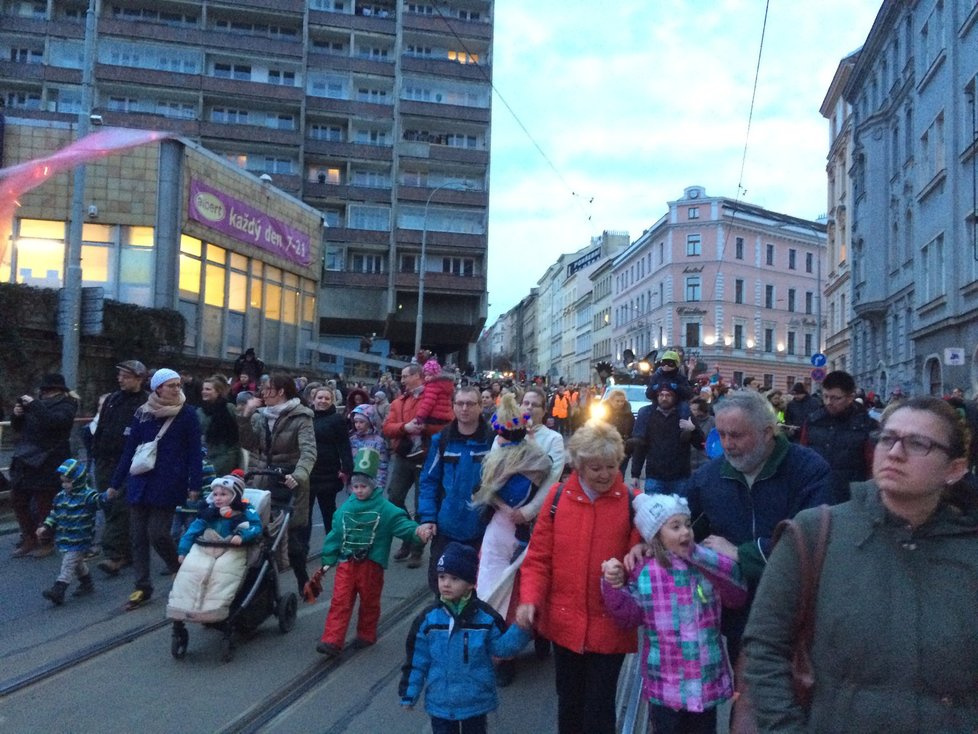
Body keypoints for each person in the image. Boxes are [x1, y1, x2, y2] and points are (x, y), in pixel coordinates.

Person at [743, 396, 978, 733]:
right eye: (887, 438)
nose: (895, 453)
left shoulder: (968, 547)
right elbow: (765, 647)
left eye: (918, 443)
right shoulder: (814, 533)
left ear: (954, 469)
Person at [682, 390, 831, 662]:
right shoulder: (709, 478)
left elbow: (810, 540)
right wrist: (644, 545)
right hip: (736, 615)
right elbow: (680, 526)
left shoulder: (808, 470)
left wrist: (742, 553)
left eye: (736, 435)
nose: (727, 444)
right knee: (745, 695)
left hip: (794, 613)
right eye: (721, 434)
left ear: (767, 433)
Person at [516, 421, 641, 734]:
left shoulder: (632, 502)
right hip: (564, 622)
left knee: (599, 709)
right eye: (596, 467)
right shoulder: (558, 498)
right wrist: (529, 599)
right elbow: (538, 557)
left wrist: (625, 569)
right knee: (569, 703)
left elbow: (641, 560)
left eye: (611, 466)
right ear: (579, 466)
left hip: (609, 625)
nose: (604, 474)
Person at [601, 493, 747, 734]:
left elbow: (736, 593)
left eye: (688, 524)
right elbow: (628, 616)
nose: (686, 532)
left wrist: (699, 555)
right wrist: (612, 585)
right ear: (656, 535)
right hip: (666, 684)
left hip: (704, 680)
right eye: (675, 526)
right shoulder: (646, 573)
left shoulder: (705, 565)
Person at [399, 542, 531, 734]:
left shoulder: (485, 618)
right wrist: (409, 693)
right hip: (441, 701)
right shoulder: (428, 620)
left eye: (454, 578)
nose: (445, 583)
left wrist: (521, 629)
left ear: (470, 584)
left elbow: (502, 648)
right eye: (442, 577)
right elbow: (417, 660)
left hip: (475, 701)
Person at [315, 448, 429, 656]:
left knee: (369, 600)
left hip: (371, 564)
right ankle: (332, 639)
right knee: (340, 600)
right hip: (347, 562)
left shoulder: (385, 509)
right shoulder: (344, 510)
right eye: (356, 486)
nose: (359, 490)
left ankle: (366, 634)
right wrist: (329, 557)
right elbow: (335, 534)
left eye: (363, 487)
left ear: (372, 486)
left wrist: (417, 532)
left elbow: (401, 524)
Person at [106, 368, 202, 611]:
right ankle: (142, 586)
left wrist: (195, 484)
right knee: (137, 536)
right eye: (171, 385)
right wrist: (115, 484)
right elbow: (129, 450)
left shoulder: (187, 414)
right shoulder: (143, 413)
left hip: (169, 481)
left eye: (178, 385)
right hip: (140, 480)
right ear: (157, 388)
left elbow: (194, 453)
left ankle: (178, 568)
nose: (177, 389)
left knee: (158, 532)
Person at [237, 370, 317, 592]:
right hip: (261, 480)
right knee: (260, 537)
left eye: (267, 388)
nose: (263, 392)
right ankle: (260, 591)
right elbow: (249, 443)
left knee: (291, 541)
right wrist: (246, 414)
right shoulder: (259, 416)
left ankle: (304, 583)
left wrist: (298, 476)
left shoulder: (301, 417)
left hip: (287, 482)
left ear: (281, 391)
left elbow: (308, 452)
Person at [417, 385, 495, 592]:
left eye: (470, 403)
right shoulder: (442, 440)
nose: (464, 408)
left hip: (482, 529)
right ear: (453, 406)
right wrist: (428, 518)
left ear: (480, 407)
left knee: (478, 590)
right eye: (459, 403)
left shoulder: (493, 441)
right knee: (440, 587)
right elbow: (428, 481)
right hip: (447, 528)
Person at [165, 473, 263, 623]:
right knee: (192, 570)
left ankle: (215, 610)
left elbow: (256, 526)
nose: (218, 498)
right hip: (207, 546)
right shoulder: (209, 513)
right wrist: (183, 550)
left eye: (223, 494)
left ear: (234, 496)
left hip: (232, 548)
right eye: (215, 494)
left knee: (223, 574)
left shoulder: (244, 511)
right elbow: (192, 531)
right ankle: (180, 607)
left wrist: (242, 535)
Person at [9, 373, 79, 558]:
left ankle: (46, 540)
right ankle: (29, 538)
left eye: (47, 390)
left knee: (45, 504)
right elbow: (19, 427)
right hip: (26, 457)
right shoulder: (37, 405)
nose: (45, 393)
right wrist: (17, 415)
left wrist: (33, 405)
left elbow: (54, 423)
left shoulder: (67, 405)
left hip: (48, 459)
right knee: (18, 500)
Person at [92, 360, 149, 574]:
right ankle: (127, 549)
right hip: (105, 460)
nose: (120, 379)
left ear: (139, 378)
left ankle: (114, 554)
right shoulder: (113, 399)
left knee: (119, 505)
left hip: (129, 462)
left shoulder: (146, 403)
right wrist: (95, 453)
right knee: (107, 503)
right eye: (120, 375)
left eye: (126, 376)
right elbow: (102, 427)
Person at [382, 363, 439, 568]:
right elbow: (387, 427)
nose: (402, 380)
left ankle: (417, 547)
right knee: (394, 497)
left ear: (418, 376)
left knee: (421, 505)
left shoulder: (431, 398)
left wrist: (427, 427)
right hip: (404, 455)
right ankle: (408, 534)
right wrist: (404, 427)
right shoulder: (398, 402)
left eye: (406, 376)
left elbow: (444, 423)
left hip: (425, 456)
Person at [800, 370, 877, 505]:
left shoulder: (866, 425)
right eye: (825, 396)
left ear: (850, 397)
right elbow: (802, 458)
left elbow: (873, 466)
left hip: (852, 500)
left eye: (836, 398)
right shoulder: (813, 421)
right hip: (816, 496)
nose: (829, 402)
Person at [37, 459, 105, 605]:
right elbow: (54, 514)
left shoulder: (87, 495)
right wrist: (46, 526)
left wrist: (108, 497)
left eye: (68, 481)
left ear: (78, 480)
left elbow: (99, 501)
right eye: (63, 482)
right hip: (65, 537)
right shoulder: (61, 497)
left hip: (80, 537)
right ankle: (87, 582)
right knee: (77, 562)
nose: (65, 485)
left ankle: (59, 589)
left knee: (68, 563)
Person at [629, 381, 703, 495]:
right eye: (661, 395)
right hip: (655, 476)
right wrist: (635, 474)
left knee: (678, 511)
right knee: (655, 512)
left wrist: (693, 429)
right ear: (657, 397)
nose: (664, 398)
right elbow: (640, 447)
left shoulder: (684, 415)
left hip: (680, 477)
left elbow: (700, 443)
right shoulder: (648, 415)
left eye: (668, 395)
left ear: (674, 397)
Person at [309, 386, 353, 537]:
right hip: (308, 471)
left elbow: (344, 445)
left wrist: (346, 468)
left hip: (328, 472)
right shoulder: (307, 417)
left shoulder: (337, 420)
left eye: (327, 398)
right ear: (313, 399)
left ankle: (333, 545)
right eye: (320, 398)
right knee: (304, 515)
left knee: (328, 512)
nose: (323, 401)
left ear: (332, 401)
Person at [403, 358, 455, 459]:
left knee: (418, 428)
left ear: (435, 375)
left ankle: (417, 447)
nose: (426, 378)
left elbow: (428, 403)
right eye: (425, 375)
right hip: (445, 416)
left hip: (434, 415)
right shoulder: (446, 384)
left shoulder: (432, 385)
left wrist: (420, 416)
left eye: (429, 375)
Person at [196, 374, 241, 476]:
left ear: (218, 391)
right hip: (206, 456)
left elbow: (239, 432)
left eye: (208, 389)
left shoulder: (229, 408)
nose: (204, 392)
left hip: (227, 456)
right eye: (203, 389)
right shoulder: (200, 411)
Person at [348, 403, 389, 489]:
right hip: (355, 483)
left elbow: (382, 465)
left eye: (362, 422)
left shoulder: (378, 441)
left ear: (370, 422)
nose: (358, 425)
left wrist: (380, 485)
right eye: (356, 422)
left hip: (371, 482)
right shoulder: (352, 439)